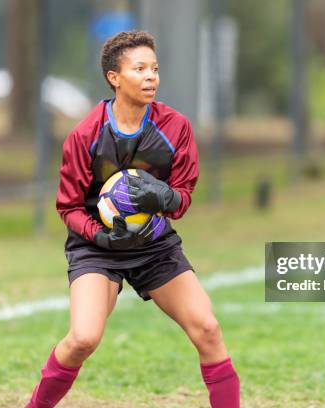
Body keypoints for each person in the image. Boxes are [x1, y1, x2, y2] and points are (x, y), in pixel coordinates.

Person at [25, 30, 240, 408]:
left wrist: (165, 195)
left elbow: (182, 199)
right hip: (98, 248)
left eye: (154, 69)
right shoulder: (85, 135)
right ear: (114, 77)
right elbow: (69, 207)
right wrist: (101, 236)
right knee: (83, 339)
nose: (151, 77)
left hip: (155, 245)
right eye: (139, 69)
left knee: (207, 329)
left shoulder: (176, 128)